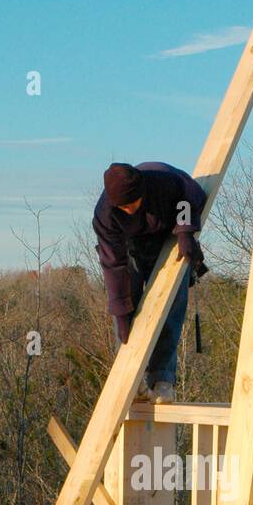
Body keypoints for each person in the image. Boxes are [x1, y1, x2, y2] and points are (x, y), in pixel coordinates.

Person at [93, 161, 208, 402]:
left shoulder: (167, 183)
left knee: (171, 304)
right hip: (131, 245)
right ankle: (131, 379)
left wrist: (186, 232)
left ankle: (162, 378)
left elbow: (190, 198)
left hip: (168, 236)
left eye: (133, 203)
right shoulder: (105, 216)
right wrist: (120, 309)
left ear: (142, 192)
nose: (130, 209)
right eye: (123, 207)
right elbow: (113, 265)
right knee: (126, 311)